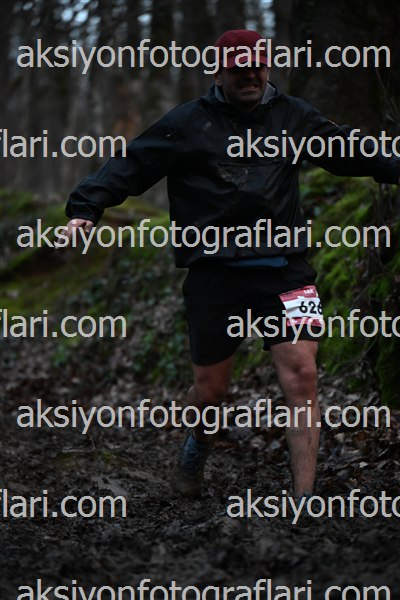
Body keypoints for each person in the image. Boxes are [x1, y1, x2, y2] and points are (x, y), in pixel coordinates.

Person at [65, 29, 400, 499]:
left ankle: (304, 501)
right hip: (215, 273)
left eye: (257, 67)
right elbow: (132, 164)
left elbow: (346, 149)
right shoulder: (187, 123)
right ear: (218, 73)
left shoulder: (293, 115)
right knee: (210, 393)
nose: (249, 76)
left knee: (303, 375)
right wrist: (86, 207)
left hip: (285, 270)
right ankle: (195, 448)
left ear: (267, 67)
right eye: (238, 69)